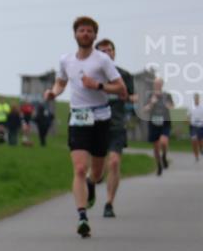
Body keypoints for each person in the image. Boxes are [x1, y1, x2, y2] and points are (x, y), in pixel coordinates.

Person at [44, 17, 127, 238]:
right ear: (75, 34)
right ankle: (82, 216)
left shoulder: (102, 61)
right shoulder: (66, 60)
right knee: (80, 168)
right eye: (81, 30)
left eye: (89, 31)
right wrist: (54, 92)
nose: (85, 34)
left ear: (95, 35)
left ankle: (92, 184)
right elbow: (61, 81)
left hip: (101, 117)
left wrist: (98, 85)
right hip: (78, 118)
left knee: (98, 172)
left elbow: (121, 88)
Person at [93, 39, 137, 217]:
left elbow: (133, 97)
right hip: (95, 124)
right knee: (97, 169)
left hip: (116, 124)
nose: (107, 53)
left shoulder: (124, 75)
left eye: (110, 50)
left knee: (114, 162)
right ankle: (95, 178)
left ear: (114, 53)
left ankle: (109, 203)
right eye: (102, 51)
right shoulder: (91, 74)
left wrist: (129, 97)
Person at [144, 77, 175, 176]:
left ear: (162, 85)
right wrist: (151, 103)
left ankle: (164, 156)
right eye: (155, 84)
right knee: (156, 147)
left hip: (165, 122)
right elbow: (145, 109)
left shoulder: (167, 95)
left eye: (159, 84)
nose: (157, 85)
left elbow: (172, 107)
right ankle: (159, 165)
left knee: (164, 142)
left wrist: (168, 106)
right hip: (153, 123)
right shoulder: (149, 95)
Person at [190, 93, 203, 163]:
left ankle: (201, 149)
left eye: (197, 98)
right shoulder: (191, 107)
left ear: (199, 99)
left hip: (201, 126)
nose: (196, 99)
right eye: (195, 98)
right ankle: (196, 156)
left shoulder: (202, 107)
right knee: (194, 141)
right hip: (193, 127)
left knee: (200, 141)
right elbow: (188, 117)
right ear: (194, 99)